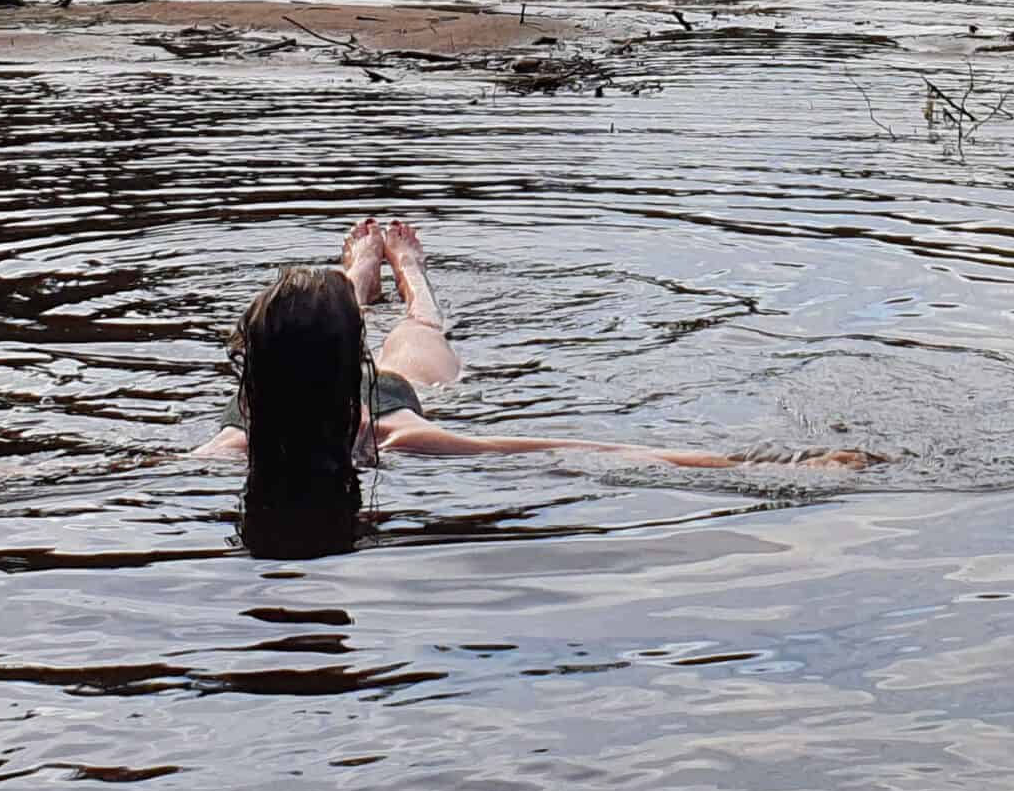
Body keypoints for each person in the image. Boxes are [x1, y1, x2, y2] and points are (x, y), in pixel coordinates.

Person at [200, 218, 860, 554]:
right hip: (383, 395)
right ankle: (400, 277)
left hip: (292, 406)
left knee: (366, 326)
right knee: (421, 326)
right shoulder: (397, 438)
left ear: (249, 374)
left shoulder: (231, 447)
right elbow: (588, 454)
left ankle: (360, 276)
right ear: (355, 369)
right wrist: (776, 463)